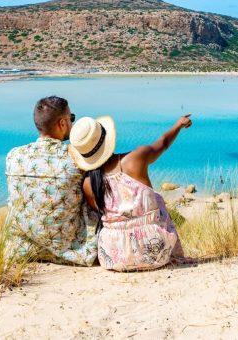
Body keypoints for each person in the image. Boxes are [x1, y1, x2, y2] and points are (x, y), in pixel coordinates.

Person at [68, 114, 192, 271]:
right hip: (155, 251)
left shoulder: (87, 183)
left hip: (113, 256)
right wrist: (178, 125)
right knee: (157, 199)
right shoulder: (135, 159)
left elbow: (99, 213)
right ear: (107, 140)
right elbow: (163, 143)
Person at [5, 96, 98, 266]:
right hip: (72, 251)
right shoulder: (75, 158)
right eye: (72, 118)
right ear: (62, 123)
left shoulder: (13, 156)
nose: (72, 123)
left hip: (21, 249)